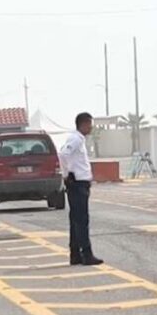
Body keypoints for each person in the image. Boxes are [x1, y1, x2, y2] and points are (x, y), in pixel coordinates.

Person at [59, 113, 103, 266]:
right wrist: (67, 174)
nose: (91, 127)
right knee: (81, 221)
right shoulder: (76, 139)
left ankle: (75, 254)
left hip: (79, 183)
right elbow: (63, 154)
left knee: (76, 221)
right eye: (90, 124)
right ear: (83, 124)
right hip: (77, 184)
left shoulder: (78, 139)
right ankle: (86, 254)